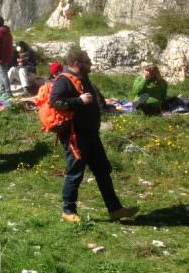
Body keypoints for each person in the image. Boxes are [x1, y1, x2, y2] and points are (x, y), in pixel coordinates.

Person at [50, 48, 139, 223]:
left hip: (91, 134)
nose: (90, 65)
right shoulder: (63, 80)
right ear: (77, 63)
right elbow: (55, 101)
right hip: (75, 136)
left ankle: (115, 209)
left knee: (103, 171)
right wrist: (79, 101)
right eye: (88, 62)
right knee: (75, 173)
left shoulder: (83, 79)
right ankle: (68, 211)